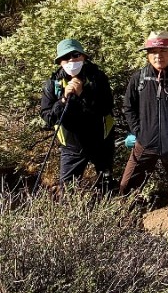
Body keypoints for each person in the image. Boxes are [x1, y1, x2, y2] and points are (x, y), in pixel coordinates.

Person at [119, 31, 168, 209]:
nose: (158, 55)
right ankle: (131, 225)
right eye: (153, 51)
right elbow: (128, 106)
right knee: (127, 185)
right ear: (147, 54)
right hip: (145, 144)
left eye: (163, 51)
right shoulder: (139, 78)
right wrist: (139, 132)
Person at [38, 38, 115, 193]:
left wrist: (83, 94)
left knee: (106, 186)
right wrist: (63, 100)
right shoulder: (53, 83)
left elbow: (105, 107)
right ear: (60, 62)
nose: (72, 60)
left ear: (84, 57)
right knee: (67, 191)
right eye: (66, 58)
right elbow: (48, 117)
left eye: (76, 55)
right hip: (72, 146)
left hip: (101, 142)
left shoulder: (97, 78)